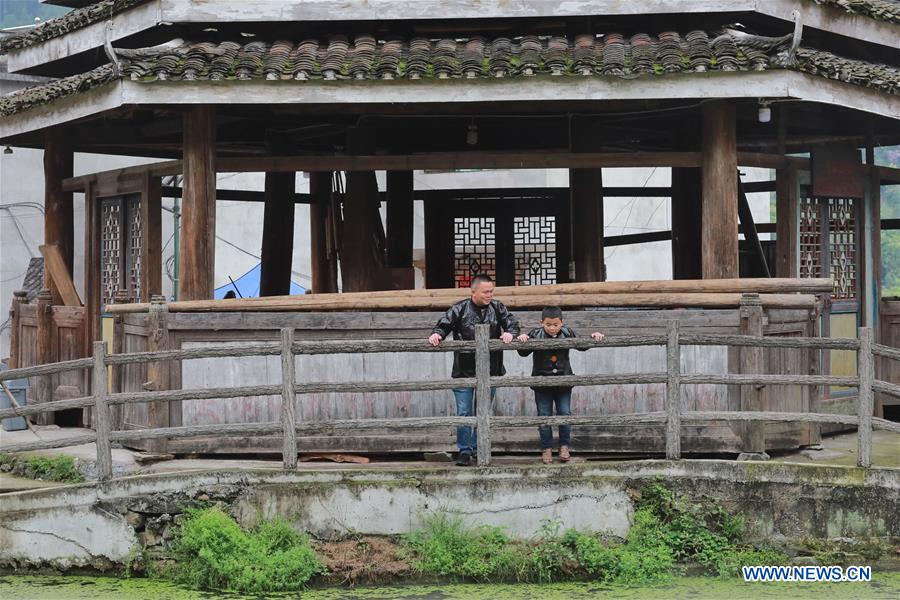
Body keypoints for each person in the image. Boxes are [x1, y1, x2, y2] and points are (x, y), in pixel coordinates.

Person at [428, 274, 520, 466]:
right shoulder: (459, 308)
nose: (489, 295)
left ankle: (481, 447)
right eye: (486, 292)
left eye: (491, 291)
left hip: (490, 369)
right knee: (464, 412)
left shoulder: (497, 307)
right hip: (464, 369)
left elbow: (512, 323)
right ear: (474, 292)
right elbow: (443, 324)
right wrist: (437, 334)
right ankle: (464, 449)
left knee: (484, 410)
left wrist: (510, 334)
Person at [517, 306, 604, 464]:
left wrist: (593, 336)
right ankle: (547, 448)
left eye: (555, 324)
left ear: (562, 323)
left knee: (565, 414)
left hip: (564, 382)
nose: (552, 328)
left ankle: (564, 446)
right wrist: (522, 339)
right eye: (548, 324)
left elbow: (582, 345)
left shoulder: (568, 332)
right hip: (542, 383)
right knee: (544, 417)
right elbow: (522, 352)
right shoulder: (535, 334)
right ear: (541, 322)